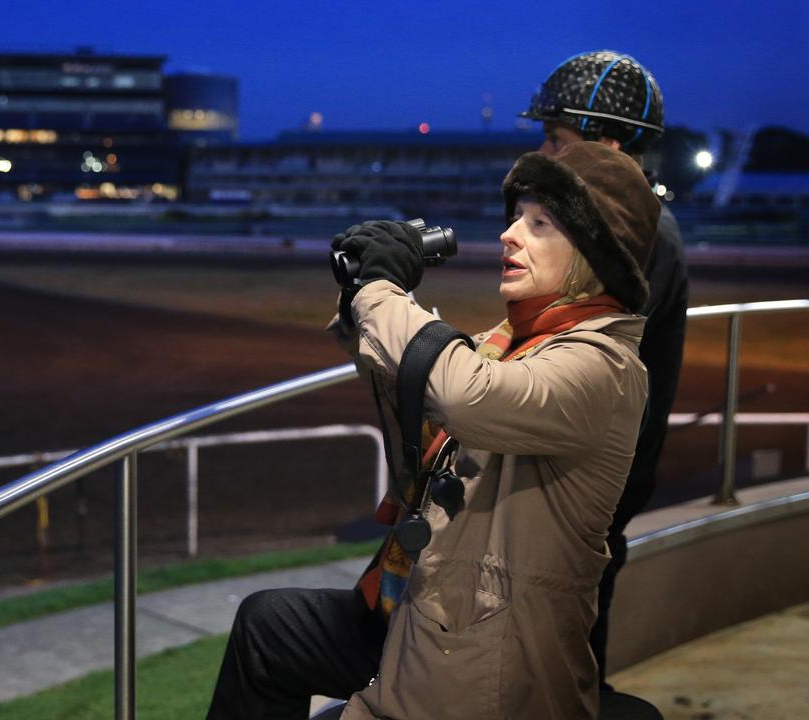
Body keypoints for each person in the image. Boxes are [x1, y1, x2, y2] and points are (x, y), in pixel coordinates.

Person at [206, 142, 659, 719]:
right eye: (517, 217)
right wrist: (361, 300)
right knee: (267, 626)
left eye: (540, 224)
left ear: (595, 255)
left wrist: (382, 291)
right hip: (435, 609)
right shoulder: (520, 340)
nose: (510, 235)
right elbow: (422, 384)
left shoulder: (604, 366)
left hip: (490, 653)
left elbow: (464, 393)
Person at [522, 50, 690, 687]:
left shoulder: (643, 235)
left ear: (611, 144)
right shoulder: (627, 222)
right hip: (589, 466)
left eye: (556, 139)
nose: (544, 152)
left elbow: (570, 352)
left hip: (594, 478)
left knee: (564, 659)